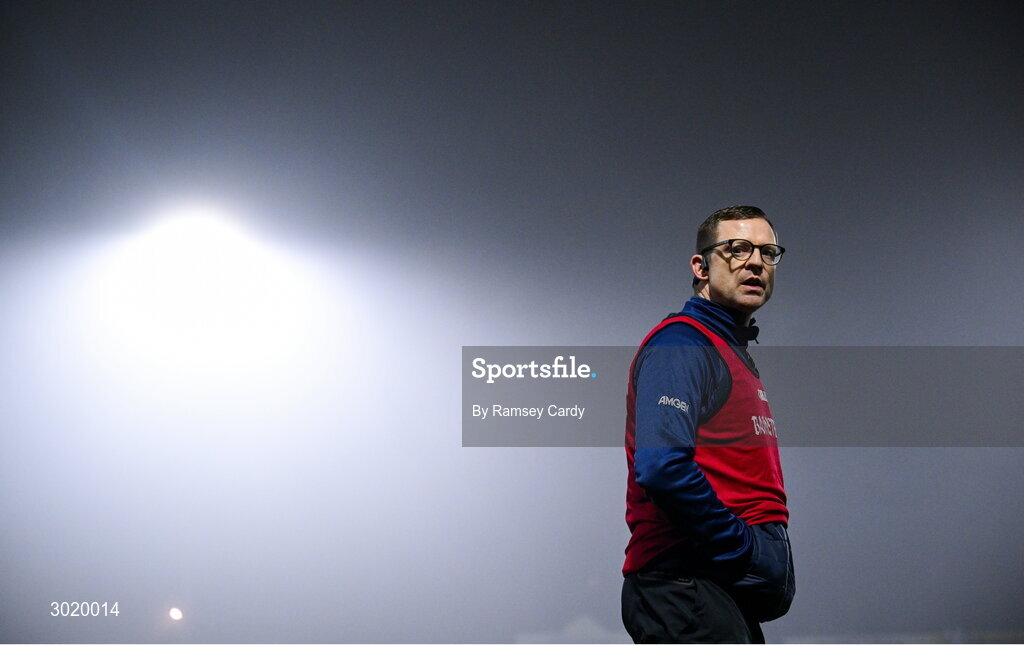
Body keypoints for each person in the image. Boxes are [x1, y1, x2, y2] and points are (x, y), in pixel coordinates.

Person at [621, 206, 795, 643]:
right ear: (700, 266)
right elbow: (662, 468)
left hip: (710, 592)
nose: (755, 262)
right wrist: (740, 548)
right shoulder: (682, 343)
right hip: (685, 588)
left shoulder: (724, 348)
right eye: (737, 249)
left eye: (767, 252)